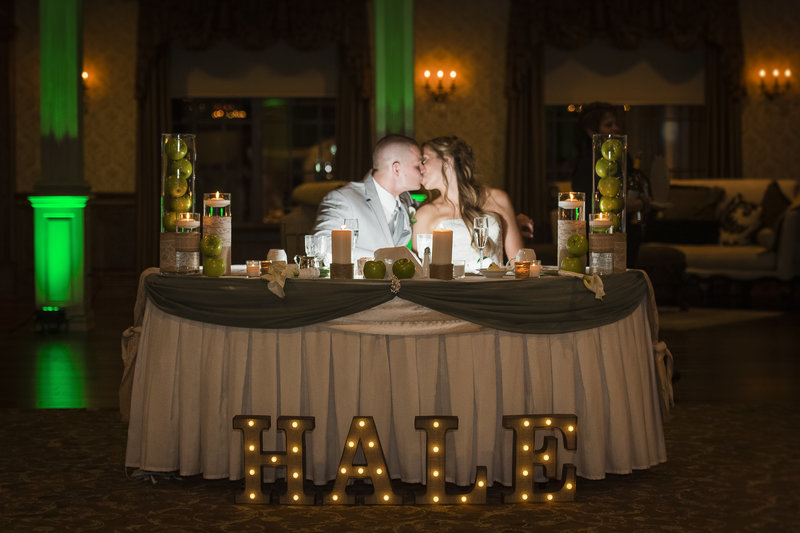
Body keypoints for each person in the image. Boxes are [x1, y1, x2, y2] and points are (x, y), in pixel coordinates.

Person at [412, 136, 523, 271]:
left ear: (447, 159)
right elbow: (421, 273)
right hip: (451, 291)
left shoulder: (497, 198)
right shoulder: (424, 214)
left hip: (495, 288)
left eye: (424, 160)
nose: (420, 168)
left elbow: (519, 262)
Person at [313, 134, 425, 259]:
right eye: (418, 165)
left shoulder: (408, 201)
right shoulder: (343, 199)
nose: (423, 170)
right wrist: (386, 260)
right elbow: (323, 247)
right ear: (396, 169)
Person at [571, 102, 651, 266]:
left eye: (616, 124)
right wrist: (639, 204)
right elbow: (596, 204)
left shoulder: (620, 158)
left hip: (624, 229)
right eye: (608, 125)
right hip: (599, 235)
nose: (615, 128)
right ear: (591, 131)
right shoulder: (588, 163)